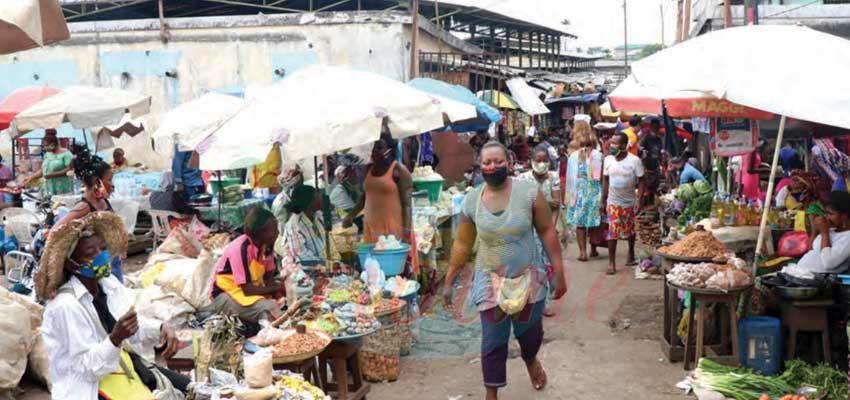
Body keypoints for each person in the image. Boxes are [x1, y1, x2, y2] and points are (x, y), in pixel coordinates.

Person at [443, 142, 567, 400]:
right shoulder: (472, 200)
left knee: (530, 335)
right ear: (480, 166)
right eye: (487, 162)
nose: (492, 166)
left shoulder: (530, 193)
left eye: (498, 161)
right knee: (492, 341)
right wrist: (449, 280)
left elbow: (546, 231)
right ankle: (492, 393)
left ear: (509, 163)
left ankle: (531, 360)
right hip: (490, 280)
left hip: (529, 277)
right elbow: (463, 244)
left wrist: (559, 271)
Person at [37, 212, 188, 399]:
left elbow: (133, 327)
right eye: (90, 254)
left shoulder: (108, 284)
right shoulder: (65, 306)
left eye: (102, 249)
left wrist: (161, 328)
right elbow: (88, 368)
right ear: (72, 265)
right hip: (89, 388)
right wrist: (115, 339)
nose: (101, 257)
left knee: (190, 388)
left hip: (120, 370)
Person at [343, 133, 415, 270]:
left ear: (389, 149)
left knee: (391, 267)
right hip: (371, 226)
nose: (375, 151)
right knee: (373, 267)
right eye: (374, 147)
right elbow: (365, 196)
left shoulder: (398, 170)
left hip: (392, 226)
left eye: (380, 147)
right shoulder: (369, 169)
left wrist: (406, 231)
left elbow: (407, 204)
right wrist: (351, 215)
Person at [55, 148, 127, 282]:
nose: (112, 185)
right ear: (96, 181)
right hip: (98, 266)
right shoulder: (84, 207)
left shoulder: (103, 201)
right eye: (109, 180)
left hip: (112, 262)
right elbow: (56, 231)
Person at [210, 207, 284, 328]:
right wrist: (277, 288)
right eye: (274, 229)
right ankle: (270, 340)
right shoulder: (240, 248)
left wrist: (278, 294)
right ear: (262, 232)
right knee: (267, 309)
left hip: (249, 290)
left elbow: (269, 278)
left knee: (284, 299)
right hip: (225, 294)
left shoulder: (266, 246)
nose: (277, 232)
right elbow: (247, 290)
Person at [602, 132, 645, 275]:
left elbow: (642, 180)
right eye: (611, 142)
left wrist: (639, 199)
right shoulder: (608, 160)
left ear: (624, 145)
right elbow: (605, 180)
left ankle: (631, 252)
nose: (612, 145)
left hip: (629, 202)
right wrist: (603, 200)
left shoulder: (635, 161)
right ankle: (611, 263)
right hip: (613, 202)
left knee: (629, 231)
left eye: (616, 143)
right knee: (612, 231)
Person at [566, 128, 604, 262]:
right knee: (593, 223)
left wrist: (568, 199)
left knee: (580, 224)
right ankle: (592, 249)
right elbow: (599, 177)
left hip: (579, 192)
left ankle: (583, 252)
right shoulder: (598, 155)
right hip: (593, 192)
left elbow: (570, 178)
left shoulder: (574, 156)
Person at [795, 191, 850, 274]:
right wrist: (815, 231)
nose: (826, 218)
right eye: (826, 213)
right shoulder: (831, 230)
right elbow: (811, 250)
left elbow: (829, 263)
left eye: (830, 214)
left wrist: (824, 233)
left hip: (816, 281)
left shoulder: (847, 237)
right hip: (799, 273)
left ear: (844, 216)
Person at [279, 185, 326, 270]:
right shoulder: (294, 226)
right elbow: (304, 258)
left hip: (321, 265)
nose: (320, 198)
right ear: (309, 203)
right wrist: (327, 265)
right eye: (317, 196)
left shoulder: (317, 216)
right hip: (302, 271)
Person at [22, 130, 74, 196]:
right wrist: (31, 177)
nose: (44, 148)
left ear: (52, 145)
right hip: (47, 189)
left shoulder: (67, 154)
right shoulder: (47, 154)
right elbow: (43, 170)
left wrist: (52, 175)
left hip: (61, 189)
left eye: (45, 146)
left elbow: (69, 170)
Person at [638, 117, 663, 207]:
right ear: (651, 127)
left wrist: (661, 161)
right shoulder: (645, 138)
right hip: (646, 167)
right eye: (654, 127)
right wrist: (643, 151)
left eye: (657, 128)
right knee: (645, 189)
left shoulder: (659, 139)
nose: (656, 129)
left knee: (654, 189)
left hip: (655, 167)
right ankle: (643, 207)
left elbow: (660, 153)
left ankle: (651, 207)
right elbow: (639, 147)